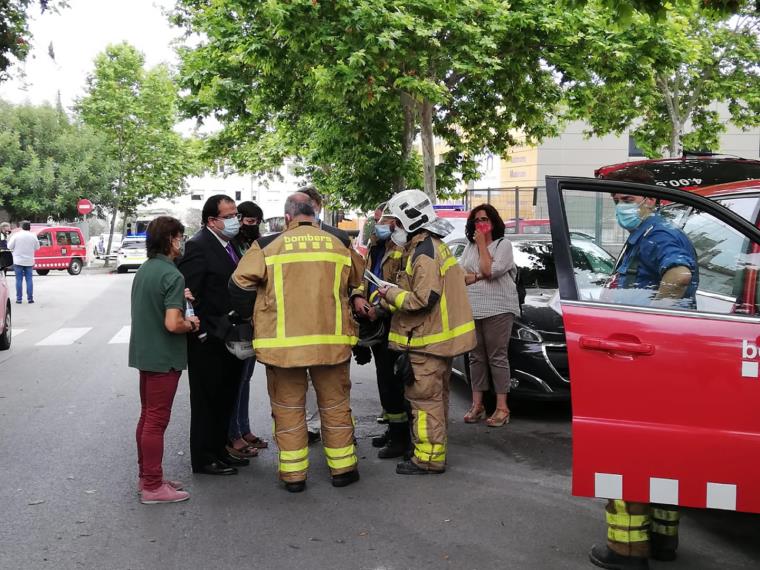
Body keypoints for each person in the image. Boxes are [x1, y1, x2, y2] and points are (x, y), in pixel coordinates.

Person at [589, 168, 698, 569]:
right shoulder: (645, 237)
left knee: (627, 454)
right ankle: (663, 541)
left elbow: (679, 275)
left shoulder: (659, 237)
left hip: (645, 360)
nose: (622, 207)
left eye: (628, 200)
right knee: (660, 456)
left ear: (651, 201)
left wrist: (649, 322)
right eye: (617, 201)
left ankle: (628, 550)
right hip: (662, 361)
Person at [229, 192, 363, 492]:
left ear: (288, 218)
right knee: (335, 407)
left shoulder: (266, 246)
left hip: (282, 347)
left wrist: (258, 312)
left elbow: (238, 286)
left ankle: (294, 477)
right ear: (314, 216)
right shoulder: (340, 241)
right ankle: (343, 470)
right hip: (331, 344)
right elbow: (357, 278)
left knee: (288, 411)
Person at [375, 189, 476, 475]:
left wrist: (391, 294)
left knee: (424, 402)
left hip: (425, 343)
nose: (391, 227)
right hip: (435, 342)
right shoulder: (429, 246)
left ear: (409, 219)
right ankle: (431, 450)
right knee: (435, 400)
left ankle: (427, 459)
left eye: (394, 221)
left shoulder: (424, 252)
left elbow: (423, 298)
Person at [177, 195, 248, 476]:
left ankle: (220, 450)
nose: (235, 220)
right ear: (212, 221)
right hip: (208, 339)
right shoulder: (198, 246)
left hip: (230, 336)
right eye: (229, 216)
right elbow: (189, 294)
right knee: (207, 400)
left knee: (226, 397)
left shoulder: (230, 245)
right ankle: (204, 457)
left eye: (236, 215)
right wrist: (202, 331)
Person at [129, 216, 196, 504]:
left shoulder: (146, 269)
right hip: (164, 356)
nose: (182, 243)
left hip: (145, 353)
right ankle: (153, 487)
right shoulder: (173, 274)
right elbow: (172, 324)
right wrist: (190, 323)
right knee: (157, 420)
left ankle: (147, 476)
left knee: (147, 417)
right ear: (171, 239)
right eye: (180, 237)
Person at [352, 203, 409, 458]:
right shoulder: (375, 246)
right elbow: (363, 278)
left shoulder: (404, 248)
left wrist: (380, 308)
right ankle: (393, 430)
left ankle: (401, 438)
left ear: (395, 221)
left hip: (394, 323)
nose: (378, 225)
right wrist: (357, 298)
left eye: (381, 220)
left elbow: (402, 288)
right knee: (384, 380)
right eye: (375, 220)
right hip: (375, 324)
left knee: (395, 383)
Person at [296, 185, 352, 443]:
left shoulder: (339, 237)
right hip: (297, 326)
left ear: (318, 206)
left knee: (335, 384)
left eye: (310, 204)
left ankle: (335, 427)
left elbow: (353, 280)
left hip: (331, 324)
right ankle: (310, 427)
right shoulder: (281, 241)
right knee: (301, 385)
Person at [459, 204, 520, 427]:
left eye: (484, 219)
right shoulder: (469, 247)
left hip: (498, 309)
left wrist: (483, 245)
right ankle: (478, 405)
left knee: (497, 356)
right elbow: (462, 276)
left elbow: (489, 271)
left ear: (493, 222)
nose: (480, 223)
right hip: (473, 308)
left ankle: (502, 408)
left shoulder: (503, 245)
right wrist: (476, 274)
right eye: (476, 220)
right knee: (476, 357)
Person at [226, 200, 268, 459]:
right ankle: (233, 434)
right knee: (236, 380)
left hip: (252, 321)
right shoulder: (230, 245)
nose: (254, 227)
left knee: (246, 379)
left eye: (257, 223)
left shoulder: (251, 244)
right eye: (250, 222)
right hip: (236, 321)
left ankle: (244, 428)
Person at [8, 221, 40, 304]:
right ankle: (30, 299)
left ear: (22, 227)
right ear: (29, 227)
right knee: (29, 279)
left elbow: (9, 246)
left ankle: (19, 299)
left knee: (19, 280)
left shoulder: (16, 235)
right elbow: (37, 247)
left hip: (18, 261)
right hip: (29, 261)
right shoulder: (33, 236)